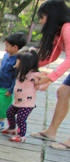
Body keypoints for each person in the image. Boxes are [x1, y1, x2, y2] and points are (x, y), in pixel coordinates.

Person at [29, 0, 70, 150]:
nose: (41, 21)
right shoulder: (60, 32)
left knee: (64, 91)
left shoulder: (68, 28)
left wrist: (50, 77)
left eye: (43, 16)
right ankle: (51, 132)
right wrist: (30, 64)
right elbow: (52, 57)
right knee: (63, 92)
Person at [0, 32, 27, 131]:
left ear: (15, 47)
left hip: (6, 88)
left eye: (7, 46)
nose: (5, 48)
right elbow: (2, 69)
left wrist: (11, 89)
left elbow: (15, 77)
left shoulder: (17, 61)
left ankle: (1, 122)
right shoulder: (6, 56)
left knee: (3, 105)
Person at [1, 47, 40, 143]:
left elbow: (44, 80)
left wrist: (40, 85)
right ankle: (12, 128)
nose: (16, 63)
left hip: (27, 103)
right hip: (17, 101)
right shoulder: (20, 73)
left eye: (18, 61)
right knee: (9, 113)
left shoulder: (34, 75)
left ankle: (21, 135)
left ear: (25, 64)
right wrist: (10, 91)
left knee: (21, 119)